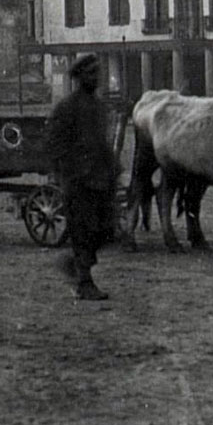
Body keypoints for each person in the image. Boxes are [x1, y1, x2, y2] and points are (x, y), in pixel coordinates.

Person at [46, 53, 122, 299]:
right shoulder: (66, 108)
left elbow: (102, 143)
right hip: (79, 182)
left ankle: (72, 263)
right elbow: (56, 144)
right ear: (79, 78)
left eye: (97, 74)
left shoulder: (99, 107)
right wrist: (70, 172)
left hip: (101, 179)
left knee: (107, 230)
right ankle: (84, 283)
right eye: (91, 74)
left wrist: (113, 168)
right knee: (83, 230)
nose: (96, 78)